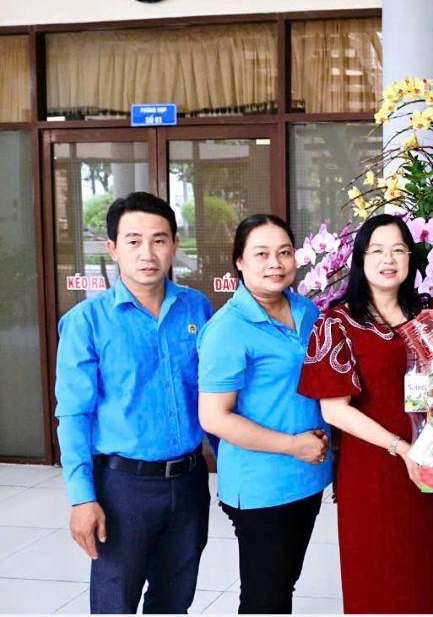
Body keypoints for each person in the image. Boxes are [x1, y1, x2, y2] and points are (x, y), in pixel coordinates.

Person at [55, 191, 212, 614]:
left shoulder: (197, 307)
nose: (148, 253)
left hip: (189, 480)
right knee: (115, 603)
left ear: (175, 245)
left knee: (174, 600)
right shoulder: (86, 322)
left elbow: (214, 395)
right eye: (134, 241)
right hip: (122, 488)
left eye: (159, 240)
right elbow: (73, 414)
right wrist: (81, 498)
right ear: (112, 248)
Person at [298, 213, 433, 614]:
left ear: (410, 258)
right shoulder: (337, 323)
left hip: (430, 471)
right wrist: (402, 448)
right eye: (378, 250)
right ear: (361, 259)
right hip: (374, 473)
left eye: (399, 250)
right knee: (377, 579)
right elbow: (334, 411)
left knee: (429, 578)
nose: (389, 259)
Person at [198, 214, 332, 614]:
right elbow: (215, 418)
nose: (276, 263)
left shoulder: (305, 310)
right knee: (264, 598)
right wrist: (293, 445)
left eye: (284, 252)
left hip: (307, 477)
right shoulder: (227, 328)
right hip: (261, 487)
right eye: (261, 254)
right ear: (239, 261)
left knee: (283, 584)